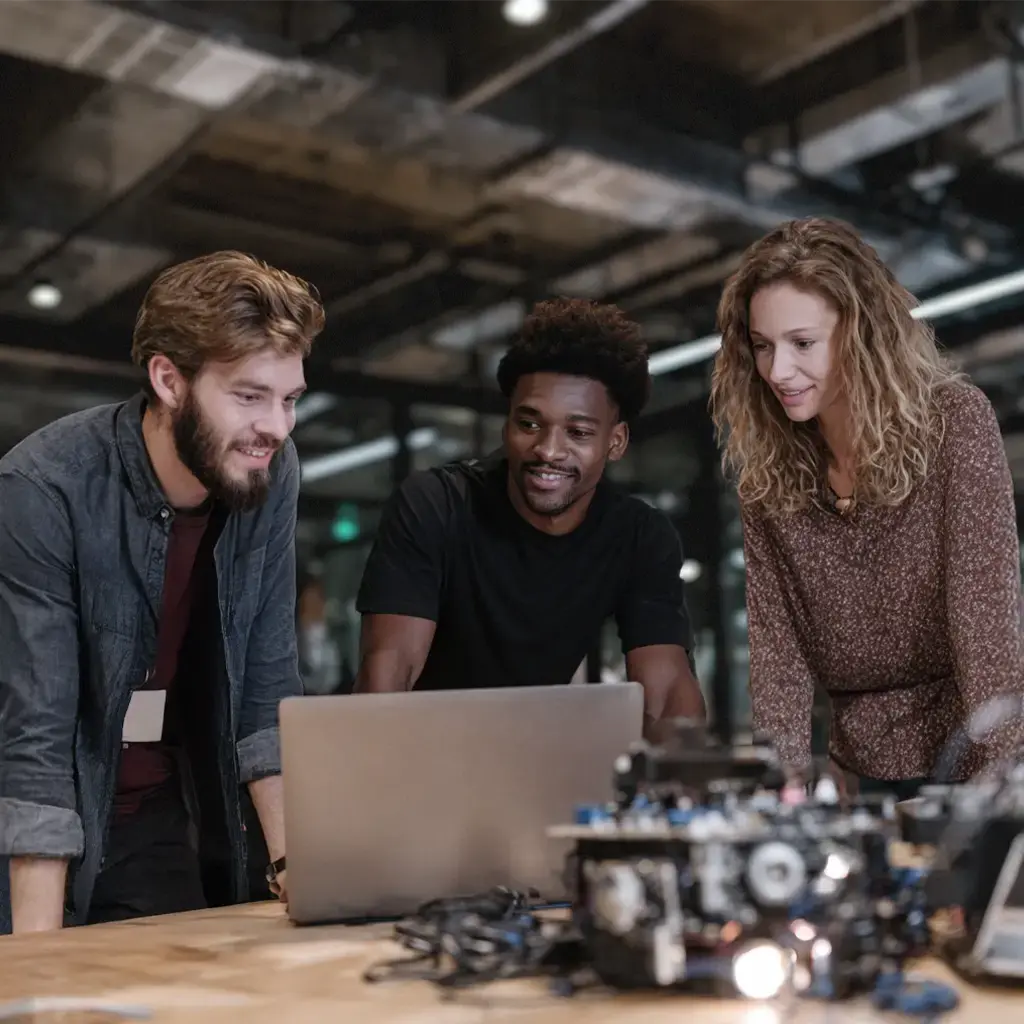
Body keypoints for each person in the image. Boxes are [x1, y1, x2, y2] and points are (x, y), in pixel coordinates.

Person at [0, 251, 324, 934]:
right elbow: (37, 739)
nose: (277, 426)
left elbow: (267, 687)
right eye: (248, 395)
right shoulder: (43, 488)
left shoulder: (268, 472)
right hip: (28, 833)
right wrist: (34, 968)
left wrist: (302, 877)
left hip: (153, 815)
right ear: (169, 380)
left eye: (289, 398)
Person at [709, 217, 1023, 799]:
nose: (777, 371)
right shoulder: (768, 480)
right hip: (859, 769)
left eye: (802, 343)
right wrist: (781, 782)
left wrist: (1005, 785)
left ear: (861, 332)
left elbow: (987, 625)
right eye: (762, 346)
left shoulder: (954, 423)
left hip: (969, 762)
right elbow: (778, 657)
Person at [354, 297, 705, 737]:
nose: (548, 450)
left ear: (615, 443)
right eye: (530, 424)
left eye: (577, 432)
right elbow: (388, 672)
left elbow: (667, 690)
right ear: (507, 424)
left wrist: (682, 784)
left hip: (534, 758)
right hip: (422, 753)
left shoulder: (638, 535)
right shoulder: (436, 505)